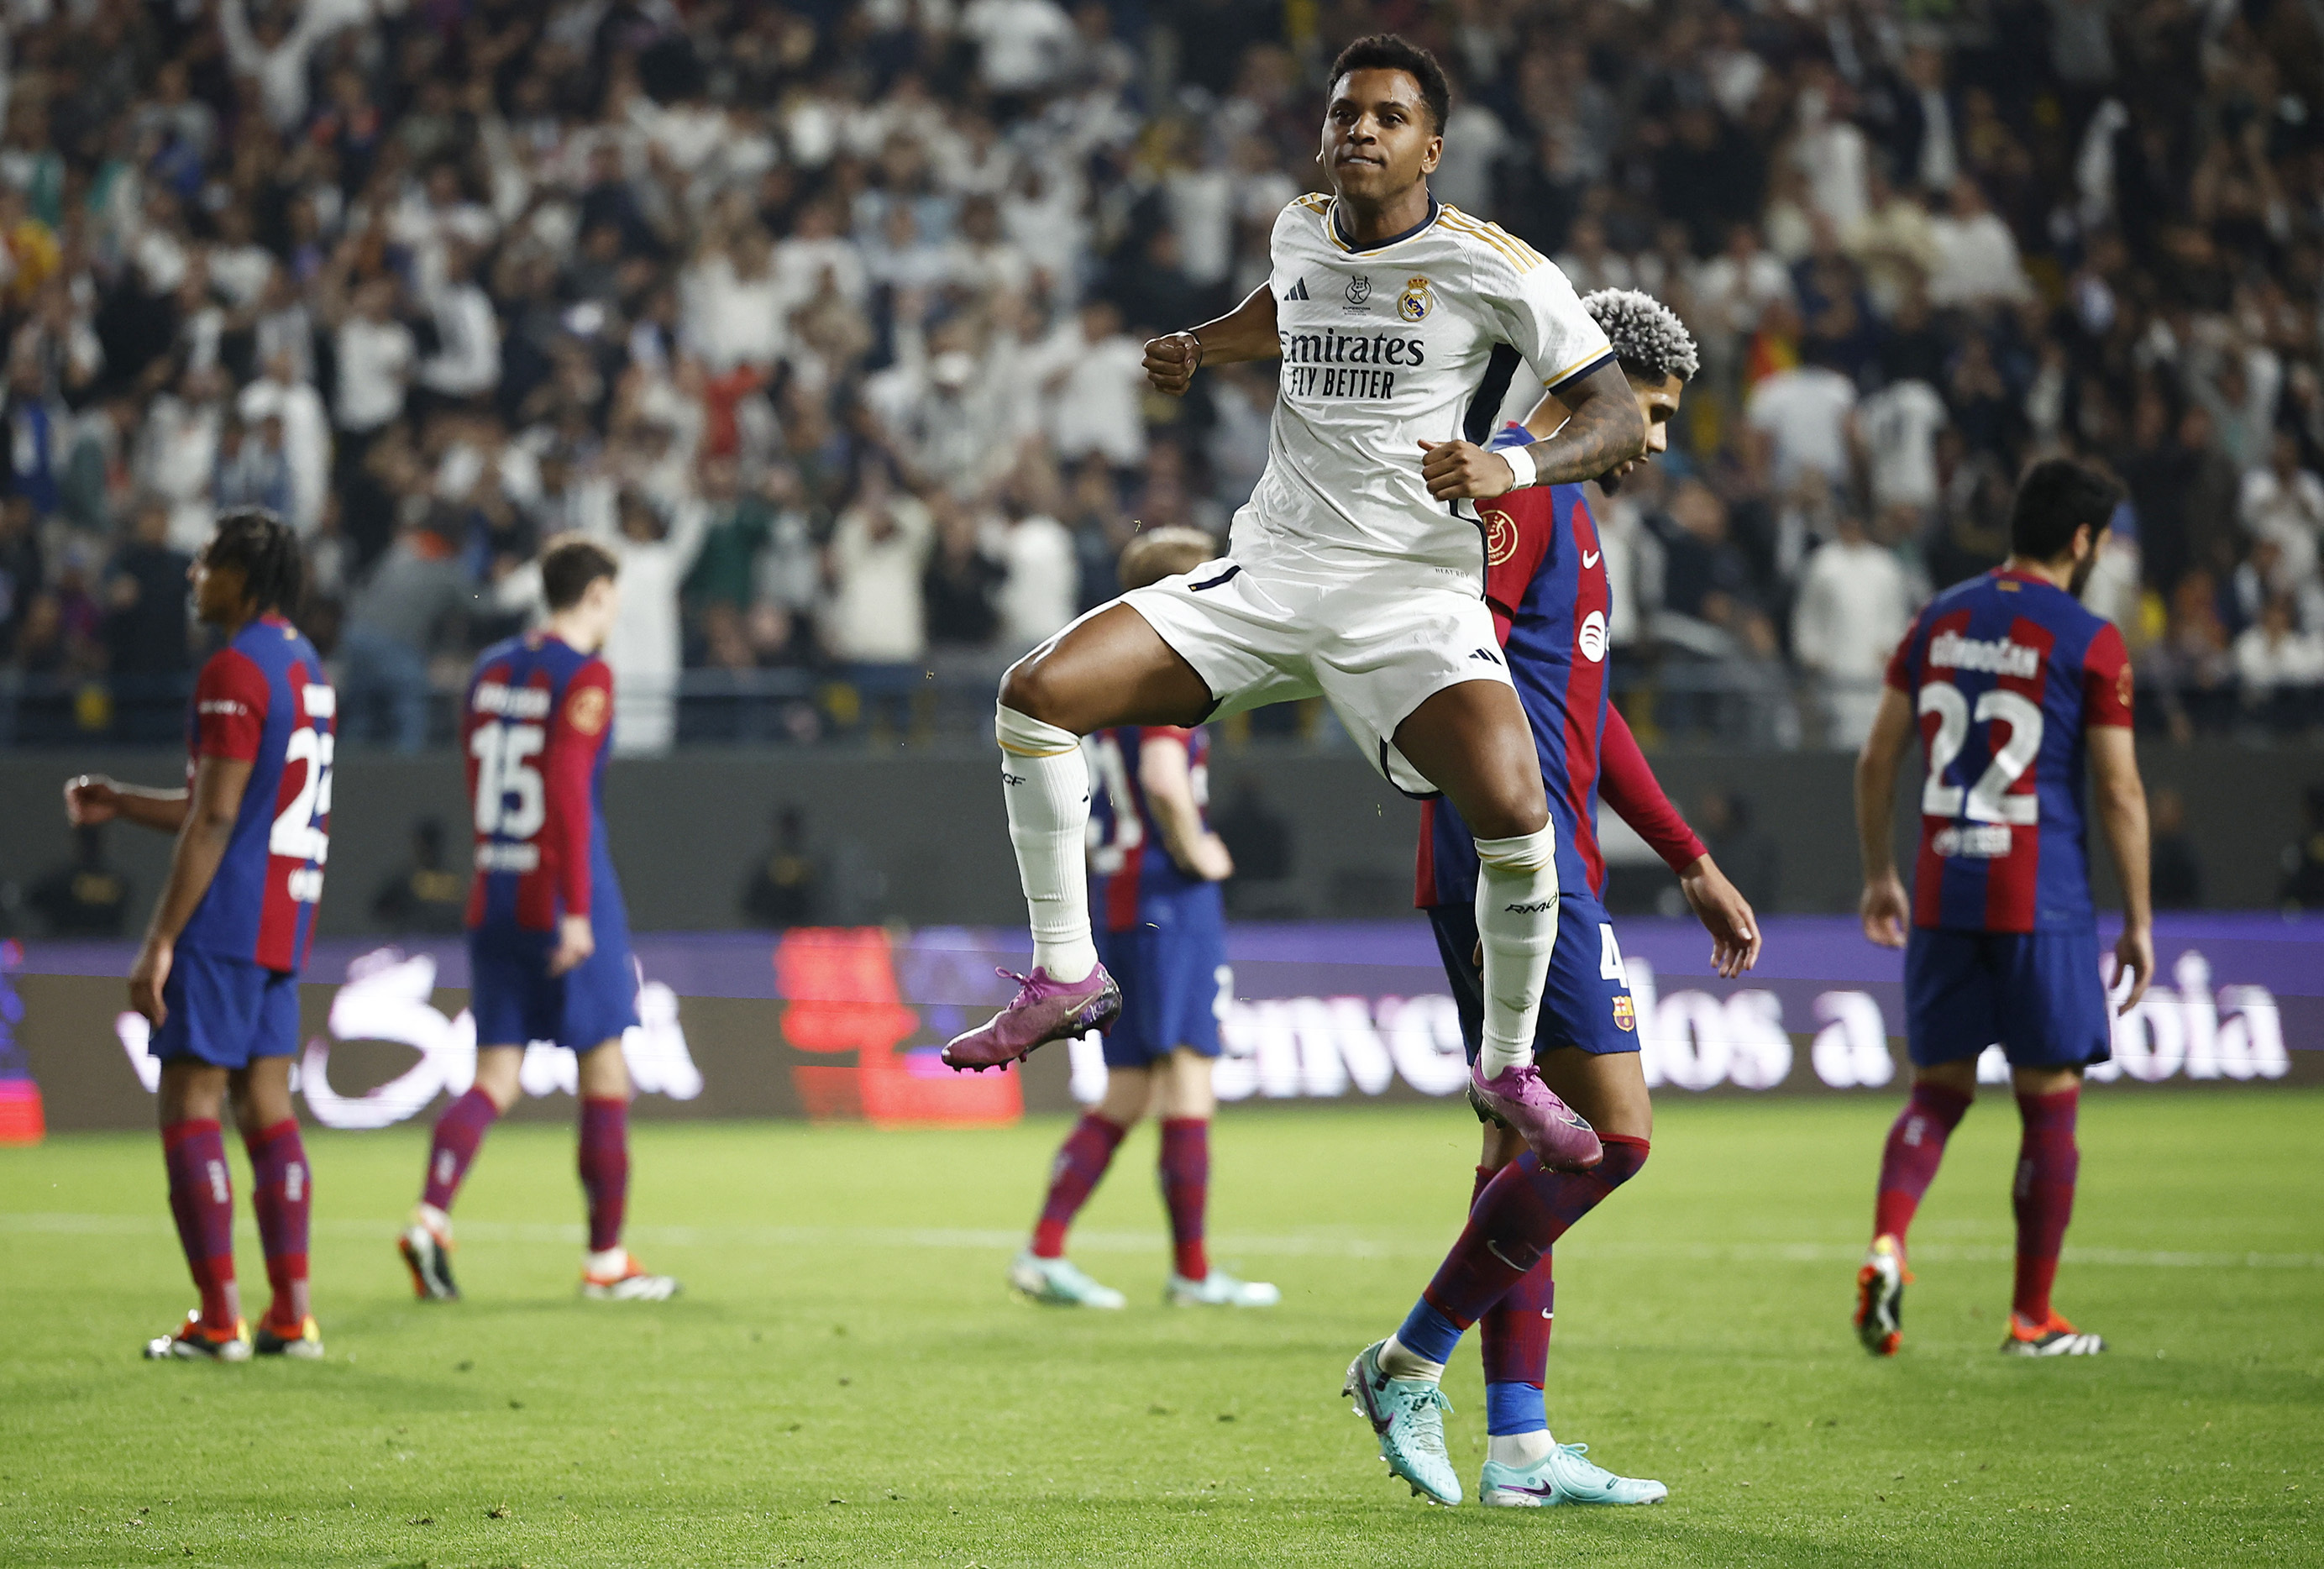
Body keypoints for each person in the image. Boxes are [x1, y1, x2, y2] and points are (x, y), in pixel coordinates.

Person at [944, 36, 1650, 1188]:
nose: (1359, 131)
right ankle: (1064, 972)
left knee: (1519, 821)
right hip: (1271, 575)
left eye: (1385, 116)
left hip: (1407, 599)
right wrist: (1197, 346)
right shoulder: (1298, 226)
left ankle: (1508, 1066)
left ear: (1431, 144)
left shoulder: (1496, 268)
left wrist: (1509, 471)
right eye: (1343, 114)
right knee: (1033, 696)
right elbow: (1289, 309)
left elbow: (1613, 417)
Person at [1346, 291, 1760, 1509]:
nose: (1661, 443)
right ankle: (1405, 1361)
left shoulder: (1560, 508)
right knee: (1610, 1139)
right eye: (1654, 414)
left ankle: (1518, 1448)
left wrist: (1684, 855)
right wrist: (1512, 840)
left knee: (1518, 1145)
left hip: (1530, 856)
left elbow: (1583, 705)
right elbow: (1449, 677)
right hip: (1515, 864)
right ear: (1597, 388)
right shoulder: (1517, 498)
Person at [1852, 458, 2154, 1359]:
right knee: (2048, 1104)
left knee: (1936, 1092)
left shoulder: (1938, 616)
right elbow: (2119, 789)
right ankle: (2030, 1317)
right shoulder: (2089, 638)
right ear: (2082, 539)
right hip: (2040, 900)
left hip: (1944, 890)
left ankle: (1886, 1242)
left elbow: (1876, 760)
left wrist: (1879, 875)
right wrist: (2138, 918)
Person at [61, 509, 333, 1361]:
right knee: (266, 1105)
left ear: (242, 576)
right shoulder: (303, 663)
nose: (192, 576)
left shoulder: (232, 666)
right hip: (285, 914)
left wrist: (160, 940)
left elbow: (216, 818)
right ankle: (291, 1315)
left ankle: (220, 1321)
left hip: (224, 917)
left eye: (206, 563)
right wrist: (122, 798)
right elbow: (223, 804)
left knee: (190, 1102)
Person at [396, 536, 678, 1304]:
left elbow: (474, 763)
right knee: (605, 1071)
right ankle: (606, 1261)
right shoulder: (585, 676)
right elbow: (566, 793)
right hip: (562, 895)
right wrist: (578, 911)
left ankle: (430, 1219)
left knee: (493, 1077)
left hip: (494, 887)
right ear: (594, 595)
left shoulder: (489, 669)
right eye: (613, 596)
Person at [1010, 527, 1279, 1313]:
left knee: (1126, 1087)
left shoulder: (1099, 678)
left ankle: (1043, 1250)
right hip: (1168, 897)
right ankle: (1193, 1273)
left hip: (1114, 899)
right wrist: (1200, 850)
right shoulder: (1168, 671)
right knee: (1188, 1075)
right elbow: (1164, 777)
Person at [27, 824, 132, 937]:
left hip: (66, 947)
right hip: (107, 948)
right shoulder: (118, 881)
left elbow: (33, 899)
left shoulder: (60, 880)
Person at [370, 817, 467, 935]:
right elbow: (381, 908)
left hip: (443, 942)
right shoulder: (406, 878)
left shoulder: (450, 880)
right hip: (415, 940)